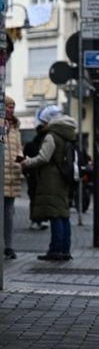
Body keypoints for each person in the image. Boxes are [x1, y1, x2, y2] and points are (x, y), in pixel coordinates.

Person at [21, 105, 78, 261]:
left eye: (43, 122)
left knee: (55, 214)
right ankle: (65, 249)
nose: (42, 125)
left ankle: (55, 250)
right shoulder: (68, 134)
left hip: (52, 179)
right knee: (63, 214)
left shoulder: (51, 135)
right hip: (64, 177)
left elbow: (44, 157)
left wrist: (27, 162)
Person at [4, 97, 22, 259]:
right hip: (2, 176)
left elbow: (19, 151)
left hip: (12, 177)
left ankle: (9, 246)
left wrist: (21, 163)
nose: (11, 110)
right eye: (9, 106)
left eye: (13, 107)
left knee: (9, 214)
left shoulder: (16, 128)